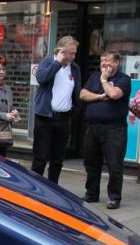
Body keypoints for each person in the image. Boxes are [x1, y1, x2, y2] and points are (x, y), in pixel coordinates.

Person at [79, 51, 131, 209]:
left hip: (114, 129)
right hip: (93, 127)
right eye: (102, 61)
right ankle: (92, 193)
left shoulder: (123, 79)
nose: (104, 64)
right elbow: (82, 94)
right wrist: (101, 97)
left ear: (117, 63)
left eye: (108, 61)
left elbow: (114, 94)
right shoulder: (94, 76)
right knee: (91, 163)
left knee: (114, 165)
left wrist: (104, 81)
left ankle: (114, 197)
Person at [32, 36, 82, 183]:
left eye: (74, 53)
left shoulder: (74, 68)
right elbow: (41, 78)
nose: (73, 56)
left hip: (64, 118)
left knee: (58, 158)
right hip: (45, 117)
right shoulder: (48, 62)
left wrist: (74, 109)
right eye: (70, 53)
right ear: (61, 51)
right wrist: (57, 63)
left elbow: (76, 91)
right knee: (40, 157)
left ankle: (53, 188)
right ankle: (36, 188)